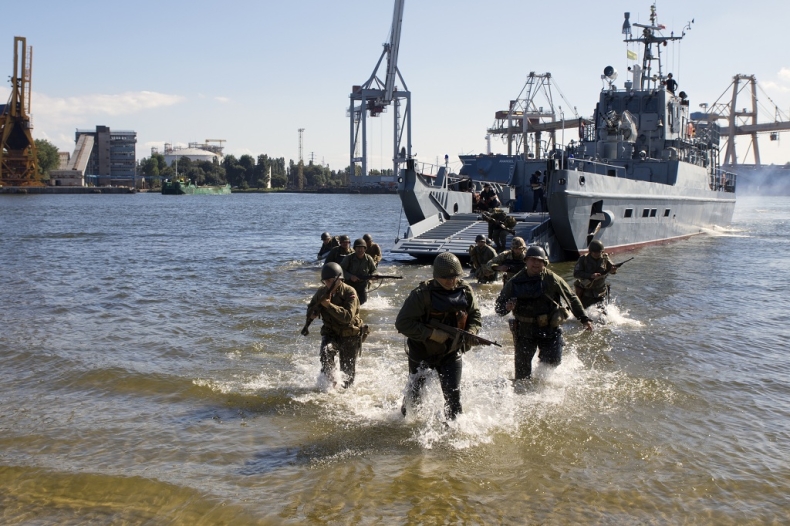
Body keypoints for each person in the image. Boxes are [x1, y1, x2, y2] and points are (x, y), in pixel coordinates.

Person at [395, 252, 482, 420]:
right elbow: (402, 323)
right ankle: (403, 427)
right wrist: (432, 334)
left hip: (451, 353)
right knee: (414, 399)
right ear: (435, 276)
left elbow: (475, 316)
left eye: (454, 277)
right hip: (422, 353)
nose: (451, 282)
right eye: (446, 278)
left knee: (454, 398)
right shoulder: (421, 294)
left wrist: (472, 332)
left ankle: (453, 436)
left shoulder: (465, 290)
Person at [495, 246, 593, 381]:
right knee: (522, 376)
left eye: (539, 261)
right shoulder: (514, 282)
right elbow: (499, 307)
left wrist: (584, 318)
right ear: (526, 261)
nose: (536, 263)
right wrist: (506, 307)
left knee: (551, 363)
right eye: (532, 260)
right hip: (524, 331)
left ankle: (542, 386)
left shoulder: (552, 279)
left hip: (549, 328)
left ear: (544, 263)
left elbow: (571, 297)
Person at [305, 262, 368, 388]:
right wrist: (312, 313)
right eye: (325, 281)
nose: (328, 284)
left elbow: (347, 317)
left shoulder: (350, 292)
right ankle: (331, 381)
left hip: (349, 335)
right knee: (325, 353)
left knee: (347, 375)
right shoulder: (322, 292)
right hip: (331, 332)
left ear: (339, 279)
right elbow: (310, 308)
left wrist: (328, 305)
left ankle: (346, 394)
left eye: (330, 281)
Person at [573, 239, 618, 309]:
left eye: (599, 252)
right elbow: (576, 274)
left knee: (603, 315)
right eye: (594, 252)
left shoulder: (605, 258)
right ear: (590, 252)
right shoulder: (583, 259)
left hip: (601, 292)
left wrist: (613, 270)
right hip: (587, 293)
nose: (597, 254)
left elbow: (612, 269)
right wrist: (590, 275)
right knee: (585, 314)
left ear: (602, 251)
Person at [340, 238, 378, 305]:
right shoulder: (349, 258)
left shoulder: (368, 259)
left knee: (363, 303)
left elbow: (374, 270)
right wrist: (350, 276)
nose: (360, 250)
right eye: (358, 248)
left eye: (362, 248)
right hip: (349, 284)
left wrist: (373, 276)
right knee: (349, 302)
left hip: (362, 285)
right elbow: (340, 270)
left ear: (365, 249)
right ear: (355, 248)